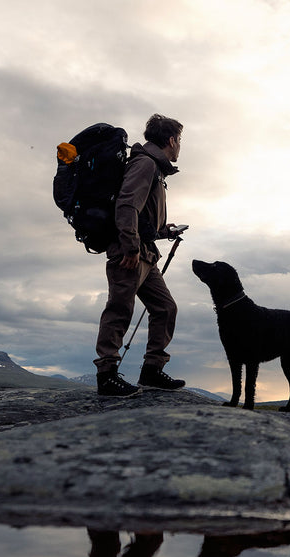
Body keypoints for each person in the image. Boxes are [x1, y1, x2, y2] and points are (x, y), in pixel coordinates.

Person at [94, 114, 188, 396]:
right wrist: (131, 246)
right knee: (120, 309)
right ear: (171, 140)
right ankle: (107, 374)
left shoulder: (155, 167)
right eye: (179, 140)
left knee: (165, 308)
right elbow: (126, 205)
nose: (180, 145)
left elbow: (141, 213)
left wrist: (162, 231)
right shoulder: (145, 164)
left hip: (146, 253)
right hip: (131, 254)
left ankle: (151, 371)